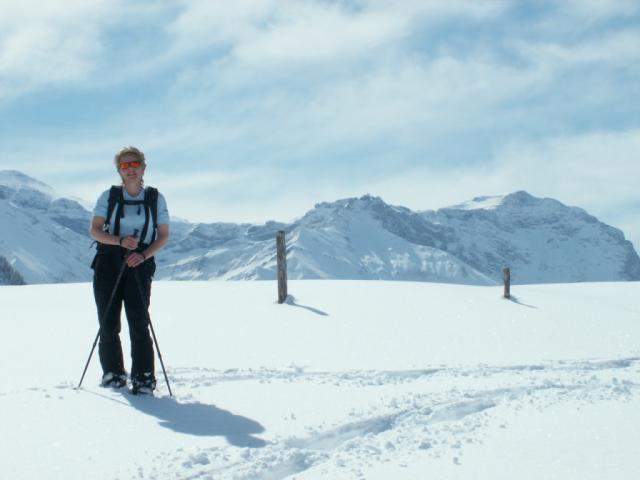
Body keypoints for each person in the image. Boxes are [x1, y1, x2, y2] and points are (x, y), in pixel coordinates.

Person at [89, 146, 170, 394]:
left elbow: (164, 235)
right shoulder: (108, 197)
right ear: (119, 171)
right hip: (108, 262)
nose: (130, 169)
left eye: (134, 164)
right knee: (108, 321)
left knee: (138, 321)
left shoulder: (155, 198)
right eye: (124, 166)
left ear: (143, 167)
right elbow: (95, 230)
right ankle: (113, 374)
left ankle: (144, 378)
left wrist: (143, 255)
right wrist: (119, 242)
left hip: (140, 263)